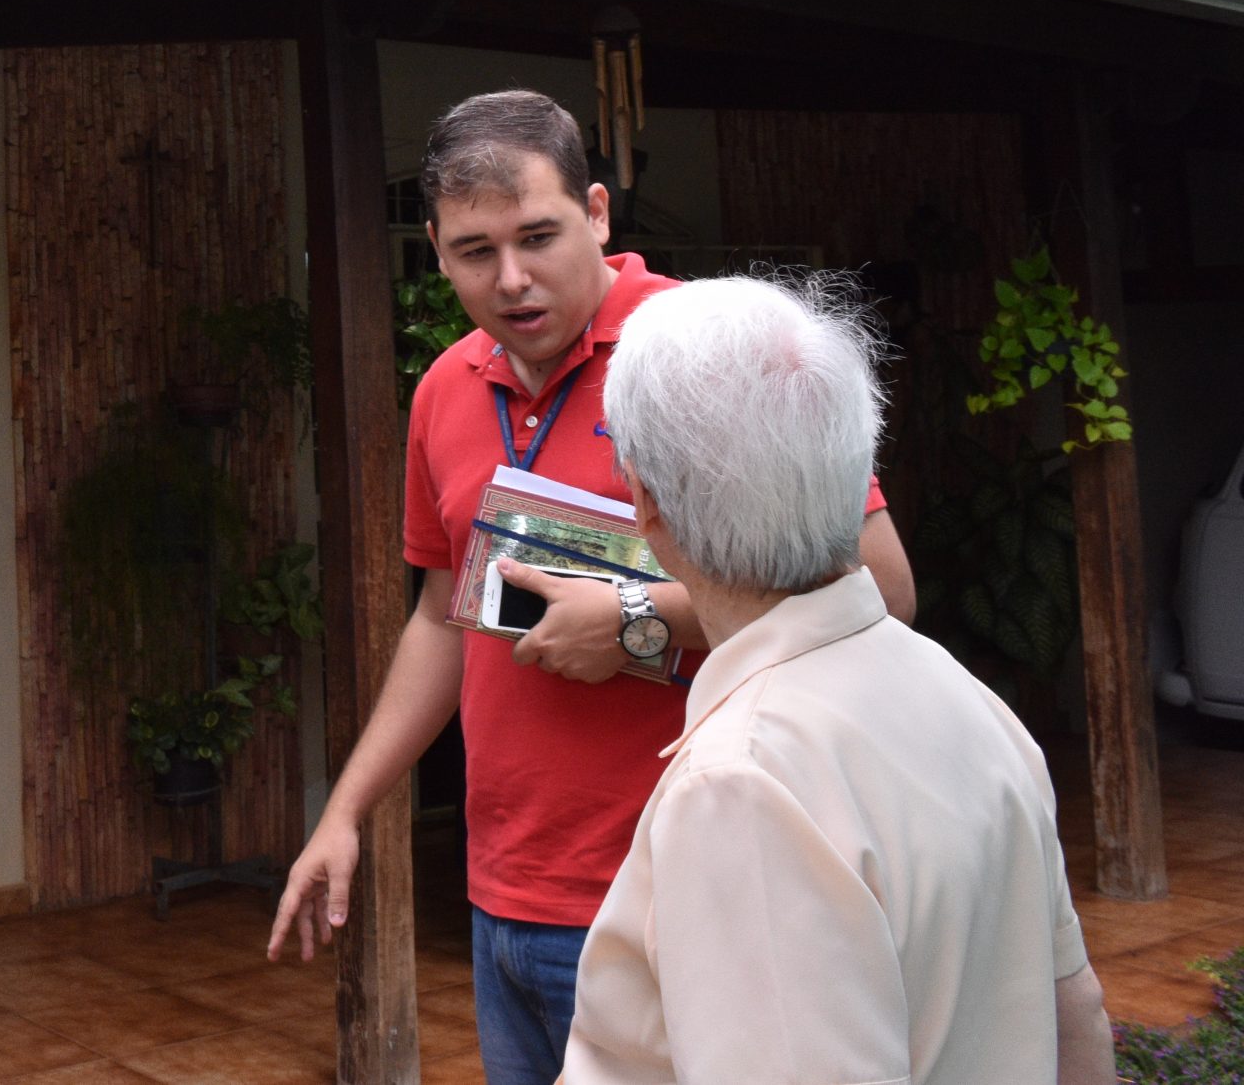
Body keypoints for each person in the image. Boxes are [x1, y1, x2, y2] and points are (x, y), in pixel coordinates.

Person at [266, 90, 917, 1085]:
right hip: (506, 897)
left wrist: (634, 619)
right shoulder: (443, 389)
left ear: (599, 213)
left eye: (539, 237)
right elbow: (442, 617)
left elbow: (879, 589)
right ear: (434, 248)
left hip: (690, 886)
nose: (511, 280)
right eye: (474, 251)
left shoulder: (714, 351)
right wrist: (346, 811)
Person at [561, 274, 1112, 1084]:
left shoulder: (743, 782)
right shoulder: (962, 694)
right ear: (855, 473)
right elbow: (1076, 1020)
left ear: (647, 504)